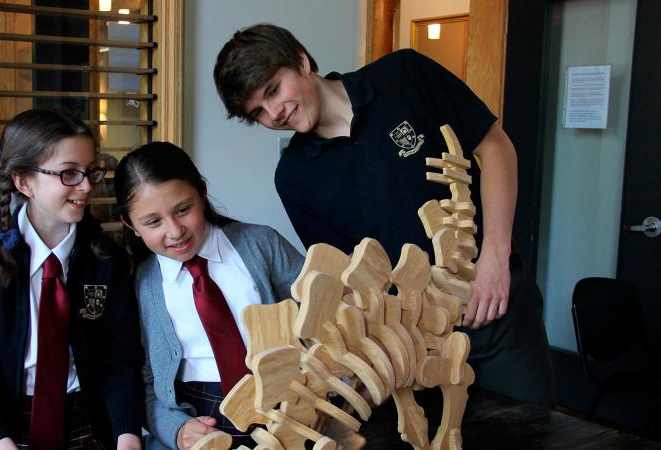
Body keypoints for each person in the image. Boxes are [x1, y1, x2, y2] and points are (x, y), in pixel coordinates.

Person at [214, 24, 554, 412]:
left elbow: (495, 148)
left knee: (531, 431)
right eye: (257, 111)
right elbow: (349, 277)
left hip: (492, 304)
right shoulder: (293, 177)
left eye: (274, 90)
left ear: (302, 62)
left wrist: (495, 258)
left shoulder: (405, 74)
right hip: (413, 341)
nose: (274, 113)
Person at [0, 109, 144, 450]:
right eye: (69, 173)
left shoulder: (106, 261)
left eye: (91, 172)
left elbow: (120, 361)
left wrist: (127, 435)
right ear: (23, 181)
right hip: (9, 431)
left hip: (90, 424)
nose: (86, 186)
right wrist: (0, 442)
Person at [113, 142, 304, 450]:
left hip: (287, 402)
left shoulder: (261, 244)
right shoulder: (139, 286)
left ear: (201, 193)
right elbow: (147, 381)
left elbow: (322, 320)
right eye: (153, 222)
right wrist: (175, 429)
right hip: (204, 421)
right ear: (129, 223)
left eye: (183, 210)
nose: (175, 231)